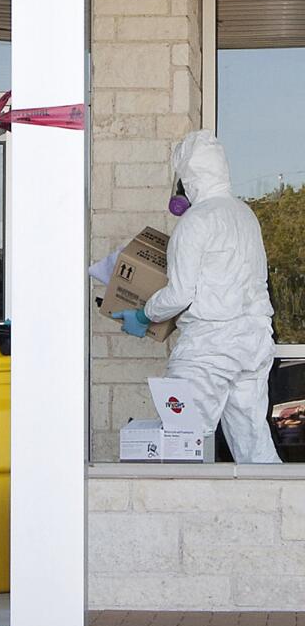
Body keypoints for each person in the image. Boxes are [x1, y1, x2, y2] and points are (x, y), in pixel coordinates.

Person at [113, 130, 281, 463]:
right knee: (253, 441)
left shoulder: (196, 222)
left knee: (183, 441)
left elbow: (179, 294)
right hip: (254, 343)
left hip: (210, 348)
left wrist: (144, 315)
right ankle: (280, 510)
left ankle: (183, 513)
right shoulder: (245, 215)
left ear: (189, 177)